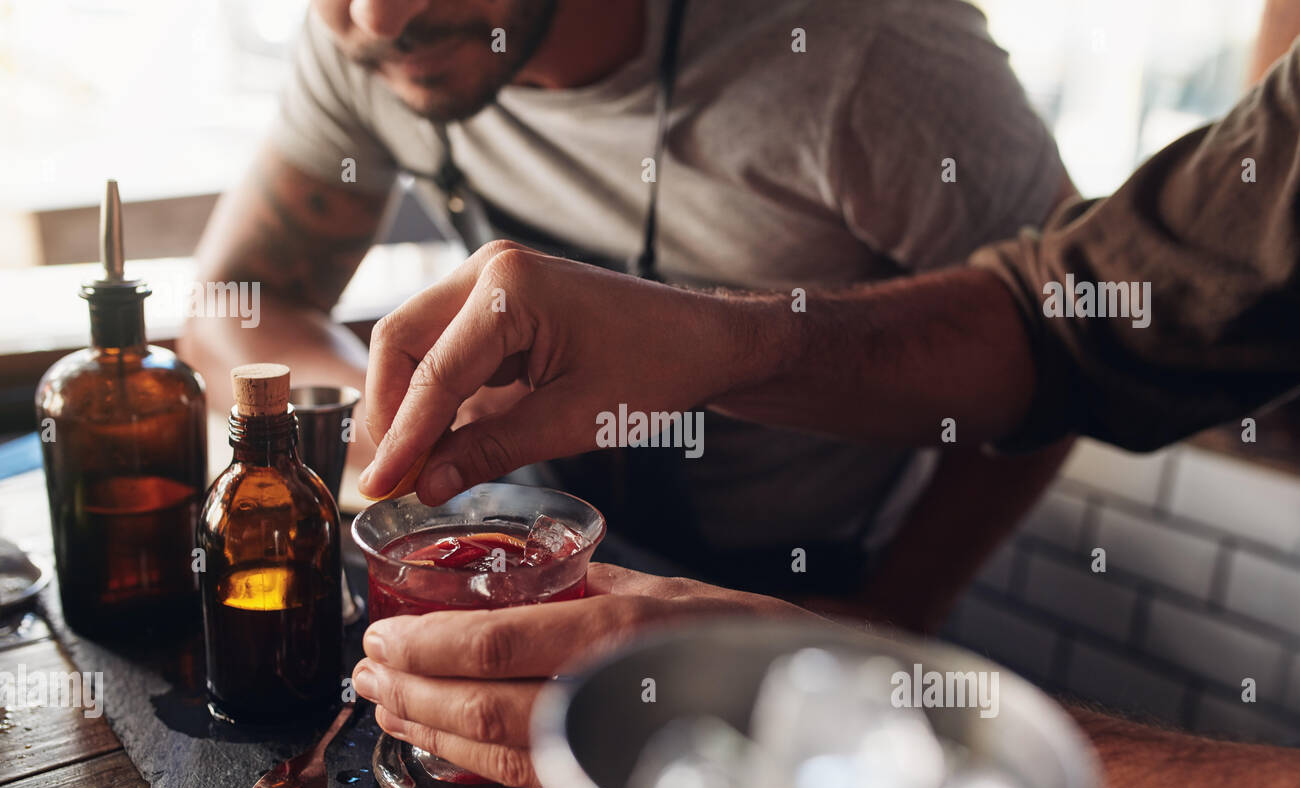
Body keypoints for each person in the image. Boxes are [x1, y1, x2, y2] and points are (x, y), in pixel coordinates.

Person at [352, 36, 1300, 788]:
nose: (377, 20)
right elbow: (1060, 320)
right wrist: (720, 341)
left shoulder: (881, 55)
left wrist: (881, 741)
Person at [179, 0, 1078, 633]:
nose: (374, 19)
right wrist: (396, 423)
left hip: (801, 591)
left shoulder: (878, 50)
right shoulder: (377, 38)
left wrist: (895, 613)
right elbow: (234, 308)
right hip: (533, 564)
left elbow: (1069, 341)